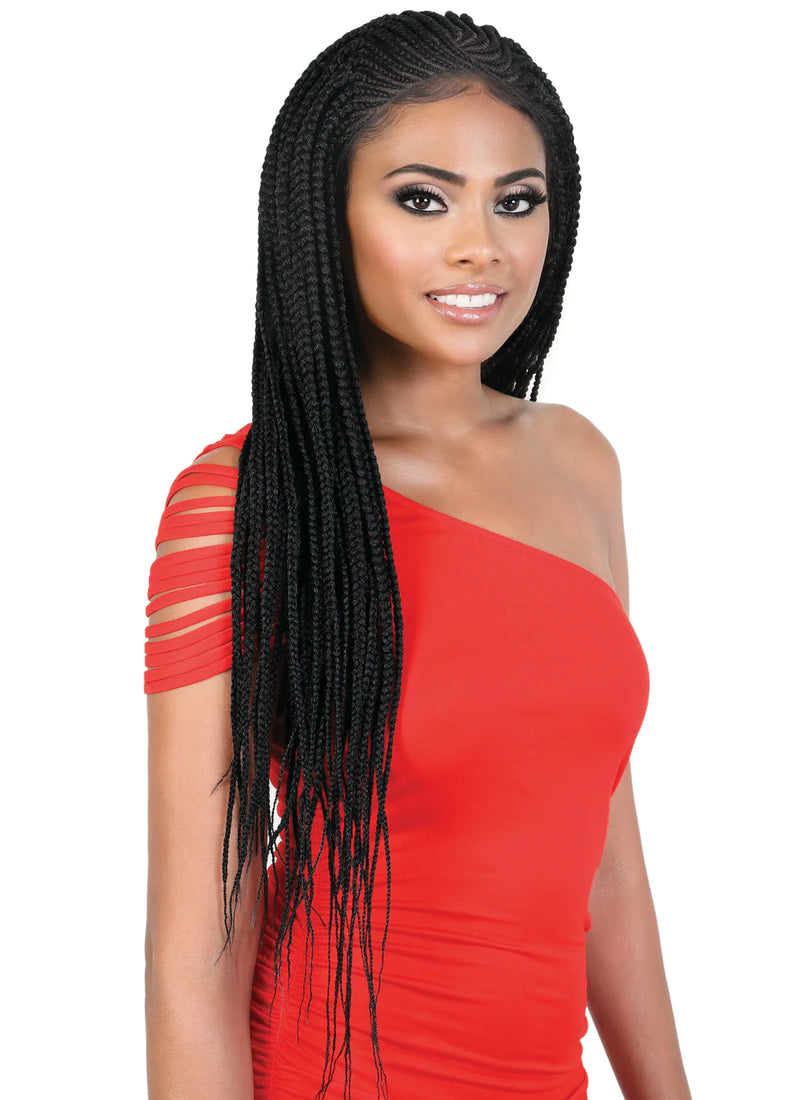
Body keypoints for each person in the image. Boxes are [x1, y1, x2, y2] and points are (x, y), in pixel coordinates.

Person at [144, 10, 692, 1099]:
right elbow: (194, 949)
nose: (481, 246)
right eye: (422, 199)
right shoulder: (246, 499)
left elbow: (607, 861)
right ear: (326, 214)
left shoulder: (578, 463)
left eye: (516, 200)